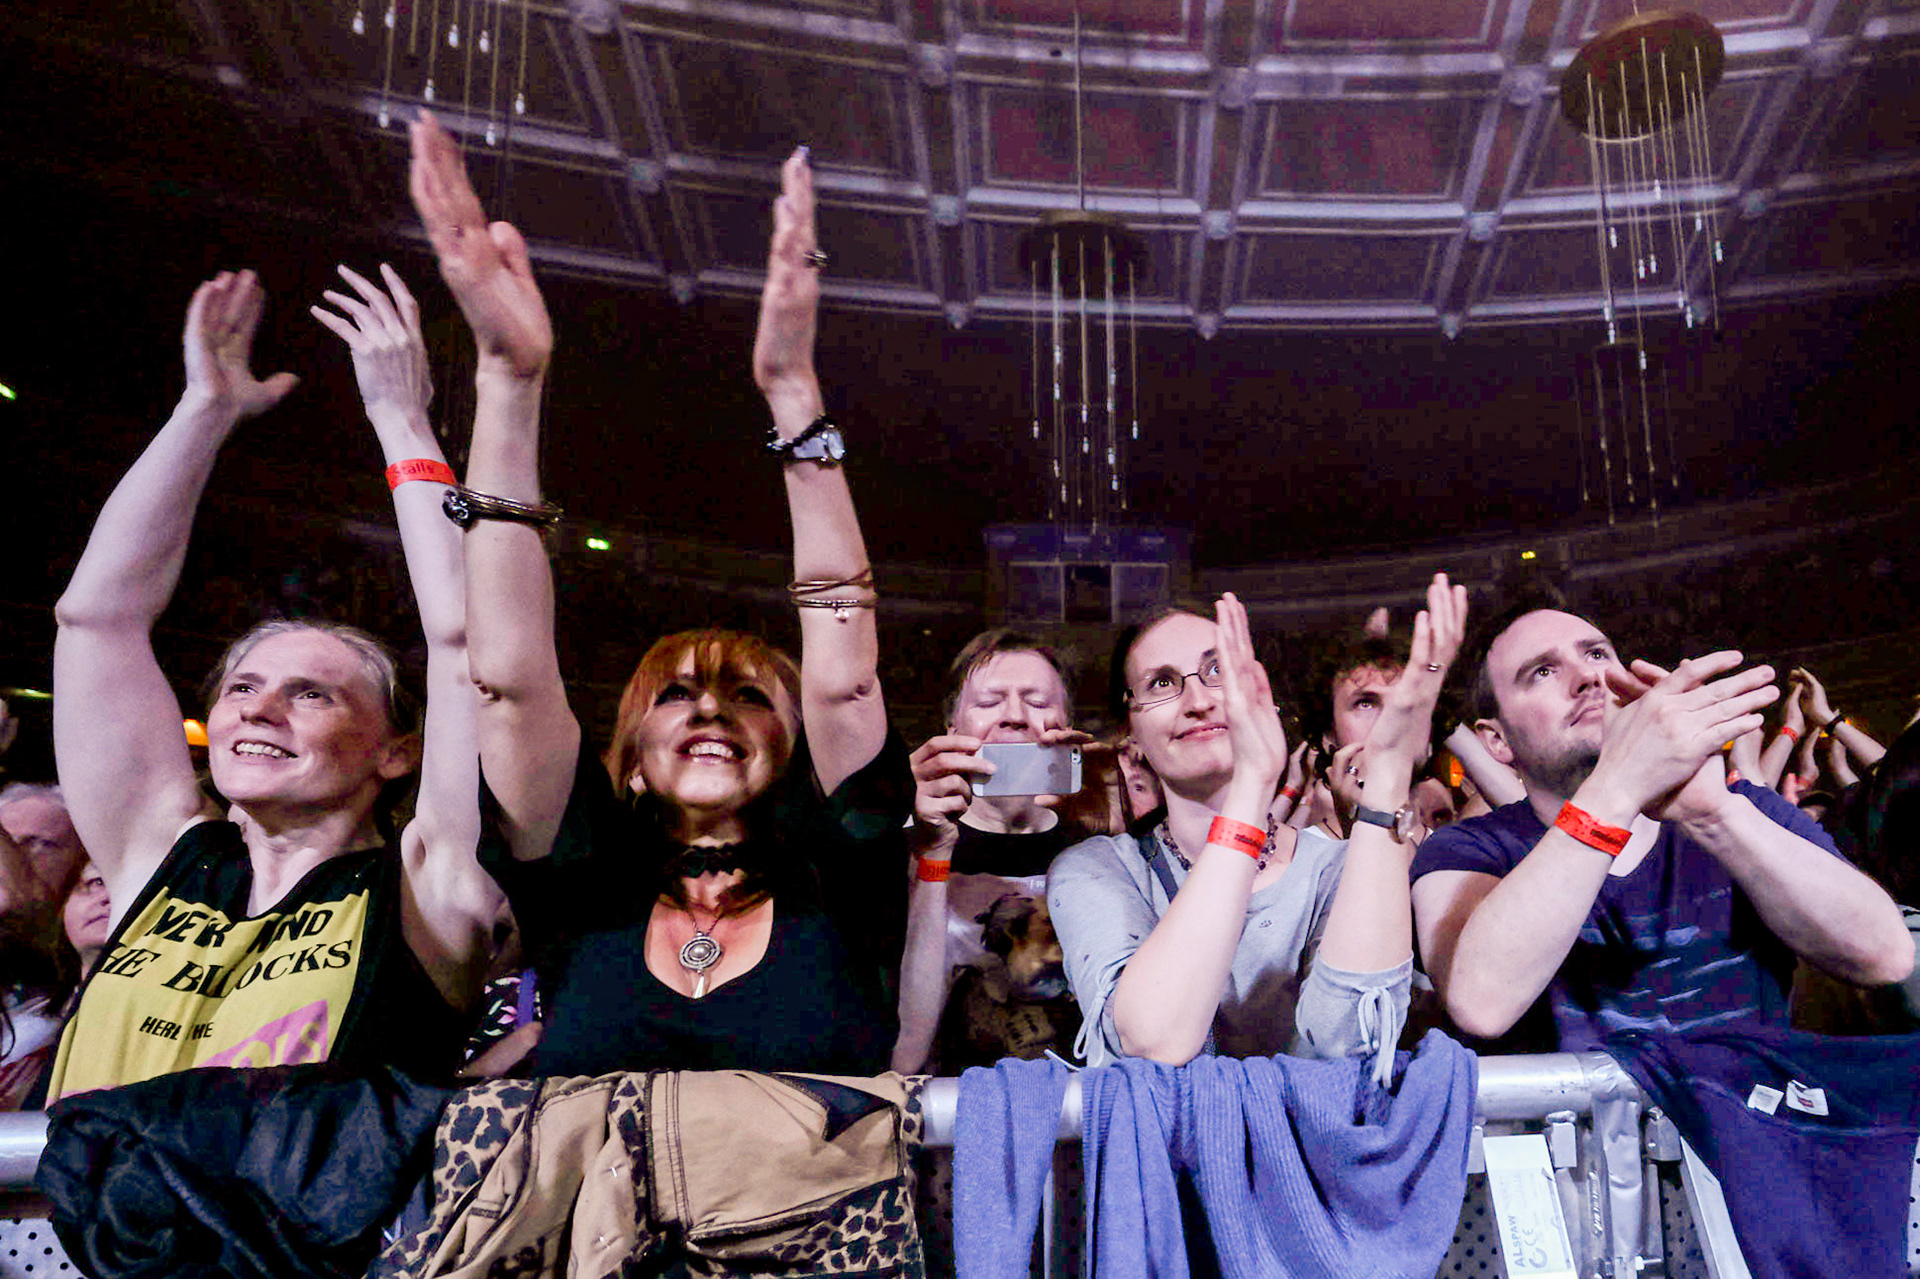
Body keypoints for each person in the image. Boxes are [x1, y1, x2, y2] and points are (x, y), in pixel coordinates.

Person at [411, 113, 908, 1075]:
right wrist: (509, 386)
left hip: (809, 1229)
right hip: (594, 1230)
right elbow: (507, 679)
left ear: (796, 745)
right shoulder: (582, 878)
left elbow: (845, 675)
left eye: (750, 692)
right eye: (674, 693)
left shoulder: (840, 873)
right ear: (630, 758)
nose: (711, 705)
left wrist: (795, 400)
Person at [45, 264, 500, 1100]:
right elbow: (95, 620)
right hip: (62, 1236)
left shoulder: (426, 888)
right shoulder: (161, 858)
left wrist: (401, 419)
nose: (260, 706)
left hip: (295, 1237)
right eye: (243, 687)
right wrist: (202, 413)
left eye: (313, 694)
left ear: (397, 752)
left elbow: (474, 645)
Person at [1409, 603, 1914, 1049]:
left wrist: (1713, 815)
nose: (1588, 678)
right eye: (1542, 672)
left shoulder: (1738, 808)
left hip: (1748, 1148)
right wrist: (1618, 788)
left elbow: (1885, 956)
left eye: (1598, 655)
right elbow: (1481, 1003)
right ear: (1497, 741)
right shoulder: (1465, 849)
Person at [1048, 574, 1467, 1072]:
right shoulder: (1096, 872)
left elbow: (1347, 1044)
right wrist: (1250, 787)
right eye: (1161, 683)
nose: (1198, 701)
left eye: (1217, 670)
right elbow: (1154, 1040)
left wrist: (1393, 769)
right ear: (1131, 734)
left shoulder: (1337, 868)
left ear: (1264, 697)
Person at [893, 631, 1085, 1072]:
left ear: (1065, 725)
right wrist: (925, 844)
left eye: (1037, 702)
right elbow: (902, 1056)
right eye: (988, 702)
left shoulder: (1098, 855)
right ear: (951, 729)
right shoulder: (906, 847)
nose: (1014, 716)